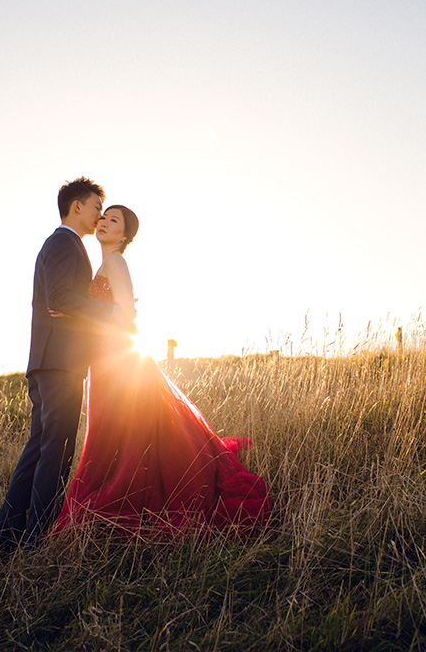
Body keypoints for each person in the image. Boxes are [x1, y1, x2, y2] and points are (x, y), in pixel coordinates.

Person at [53, 205, 270, 534]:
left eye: (114, 221)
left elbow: (124, 313)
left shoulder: (115, 261)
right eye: (104, 217)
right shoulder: (103, 263)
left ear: (124, 236)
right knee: (122, 432)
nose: (104, 222)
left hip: (116, 359)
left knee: (124, 432)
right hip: (105, 358)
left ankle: (128, 497)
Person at [0, 178, 134, 555]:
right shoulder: (62, 243)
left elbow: (64, 302)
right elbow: (59, 298)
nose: (98, 215)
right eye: (94, 208)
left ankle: (5, 539)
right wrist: (112, 311)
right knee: (56, 450)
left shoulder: (68, 246)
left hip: (51, 361)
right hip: (59, 363)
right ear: (76, 207)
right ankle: (39, 539)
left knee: (40, 448)